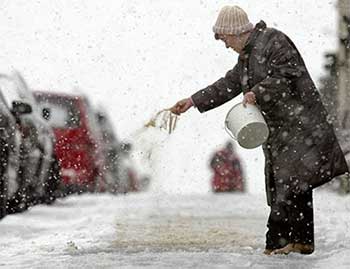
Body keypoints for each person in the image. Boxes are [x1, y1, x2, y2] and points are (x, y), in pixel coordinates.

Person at [170, 5, 349, 255]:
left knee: (287, 184)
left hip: (299, 124)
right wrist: (192, 101)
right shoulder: (247, 57)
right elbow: (228, 85)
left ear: (236, 32)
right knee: (292, 184)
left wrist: (258, 92)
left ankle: (276, 243)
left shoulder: (273, 41)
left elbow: (288, 75)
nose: (225, 45)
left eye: (225, 39)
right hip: (281, 129)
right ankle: (301, 241)